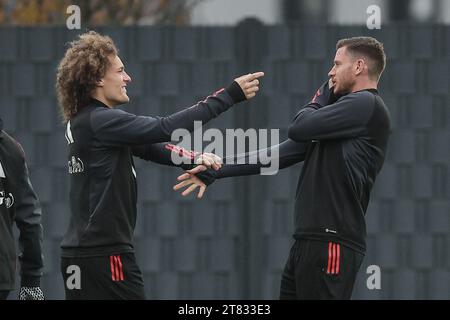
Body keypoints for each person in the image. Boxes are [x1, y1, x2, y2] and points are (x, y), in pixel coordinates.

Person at [174, 36, 391, 299]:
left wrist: (320, 96)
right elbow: (283, 153)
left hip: (332, 241)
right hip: (310, 240)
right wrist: (219, 169)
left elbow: (299, 127)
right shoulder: (345, 111)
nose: (330, 72)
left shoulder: (365, 104)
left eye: (336, 64)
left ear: (358, 67)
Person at [55, 31, 263, 299]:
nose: (127, 77)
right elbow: (166, 128)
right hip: (107, 257)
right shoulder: (101, 121)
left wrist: (192, 158)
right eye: (120, 71)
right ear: (97, 78)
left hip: (80, 256)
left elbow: (148, 147)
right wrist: (230, 95)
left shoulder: (85, 121)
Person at [0, 118, 44, 300]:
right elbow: (30, 220)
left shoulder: (11, 151)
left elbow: (29, 220)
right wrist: (31, 282)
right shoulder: (12, 149)